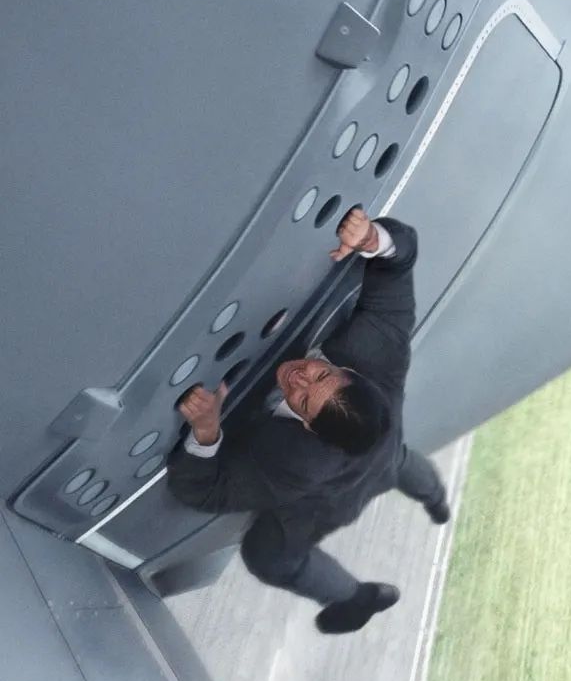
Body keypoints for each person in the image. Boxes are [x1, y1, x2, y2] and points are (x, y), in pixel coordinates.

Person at [167, 208, 448, 634]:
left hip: (333, 497)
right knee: (400, 461)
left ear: (309, 427)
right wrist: (373, 238)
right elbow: (400, 260)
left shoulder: (297, 461)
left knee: (267, 556)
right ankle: (436, 499)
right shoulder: (378, 348)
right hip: (389, 448)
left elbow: (203, 490)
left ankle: (357, 597)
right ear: (348, 373)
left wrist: (207, 431)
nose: (296, 377)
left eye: (301, 398)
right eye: (319, 375)